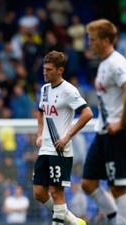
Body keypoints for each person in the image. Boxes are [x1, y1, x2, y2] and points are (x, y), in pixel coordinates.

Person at [81, 19, 126, 225]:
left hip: (117, 133)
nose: (90, 43)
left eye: (93, 39)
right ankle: (115, 218)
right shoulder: (104, 63)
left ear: (106, 40)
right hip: (103, 132)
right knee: (88, 183)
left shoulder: (117, 62)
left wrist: (121, 122)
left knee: (118, 188)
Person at [33, 50, 92, 225]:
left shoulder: (68, 90)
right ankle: (74, 221)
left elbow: (87, 114)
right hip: (45, 148)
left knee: (57, 192)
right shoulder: (44, 89)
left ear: (60, 70)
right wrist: (38, 134)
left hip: (60, 149)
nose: (45, 72)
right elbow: (41, 113)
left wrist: (67, 137)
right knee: (39, 192)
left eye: (49, 69)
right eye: (44, 69)